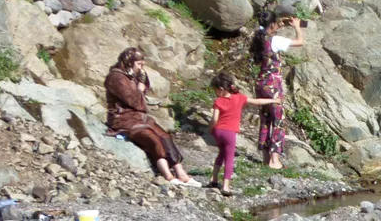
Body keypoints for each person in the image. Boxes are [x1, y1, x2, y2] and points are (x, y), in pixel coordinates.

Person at [104, 47, 200, 186]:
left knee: (165, 136)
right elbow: (133, 100)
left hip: (139, 117)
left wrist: (142, 81)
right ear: (129, 62)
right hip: (123, 119)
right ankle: (167, 175)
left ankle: (181, 174)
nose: (141, 68)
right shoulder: (116, 77)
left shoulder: (131, 75)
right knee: (152, 138)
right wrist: (140, 88)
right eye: (139, 64)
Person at [208, 72, 280, 196]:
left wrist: (211, 129)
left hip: (218, 131)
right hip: (230, 133)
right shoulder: (239, 97)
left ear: (220, 89)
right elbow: (257, 102)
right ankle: (225, 186)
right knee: (229, 158)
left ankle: (214, 178)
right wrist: (274, 100)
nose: (215, 93)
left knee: (221, 153)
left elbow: (215, 119)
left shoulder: (218, 101)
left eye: (215, 90)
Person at [251, 10, 304, 169]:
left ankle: (265, 158)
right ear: (273, 24)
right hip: (273, 84)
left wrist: (278, 23)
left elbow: (265, 30)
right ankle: (275, 161)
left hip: (260, 82)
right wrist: (297, 27)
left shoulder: (258, 38)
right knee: (278, 120)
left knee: (265, 118)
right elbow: (300, 42)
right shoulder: (275, 40)